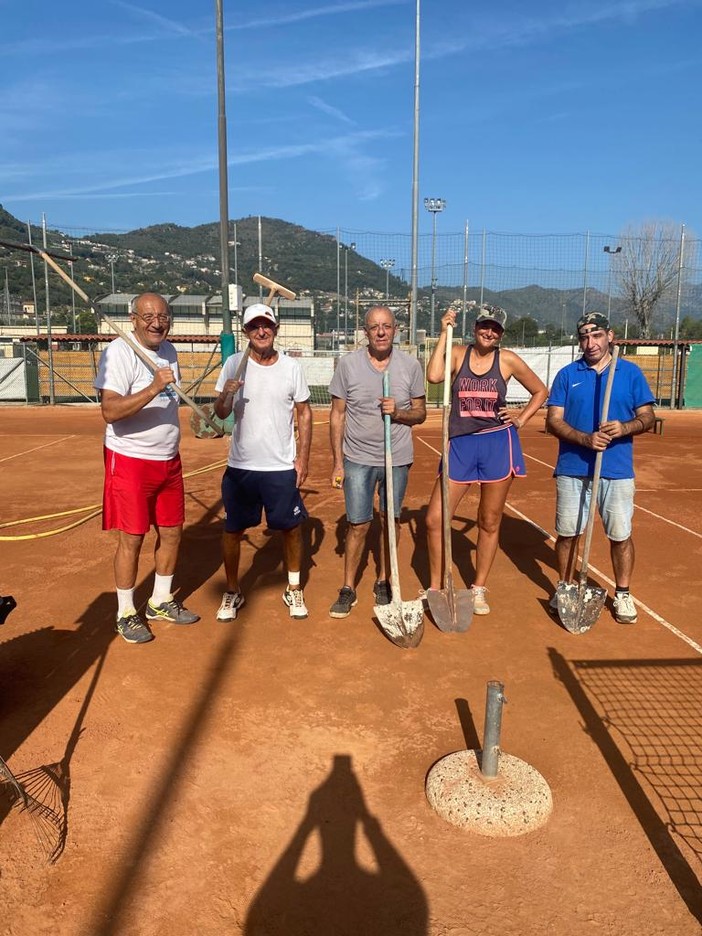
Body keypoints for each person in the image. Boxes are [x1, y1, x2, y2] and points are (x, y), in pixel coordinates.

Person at [425, 306, 548, 615]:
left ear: (501, 333)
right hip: (460, 445)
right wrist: (443, 332)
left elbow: (540, 391)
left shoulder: (506, 360)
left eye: (495, 328)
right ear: (476, 326)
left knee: (489, 520)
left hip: (497, 443)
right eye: (484, 326)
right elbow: (434, 376)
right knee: (435, 519)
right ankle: (435, 589)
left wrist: (521, 417)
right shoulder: (456, 352)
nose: (489, 332)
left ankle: (478, 589)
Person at [95, 292, 199, 645]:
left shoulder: (168, 351)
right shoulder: (118, 352)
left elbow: (171, 401)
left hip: (169, 458)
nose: (157, 323)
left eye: (163, 316)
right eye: (149, 316)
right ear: (133, 319)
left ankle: (160, 600)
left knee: (171, 532)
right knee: (133, 537)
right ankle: (126, 612)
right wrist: (154, 386)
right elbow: (109, 411)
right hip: (130, 460)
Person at [546, 311, 655, 623]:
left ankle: (622, 593)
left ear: (610, 336)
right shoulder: (568, 374)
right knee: (568, 533)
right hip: (572, 467)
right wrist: (584, 438)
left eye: (596, 335)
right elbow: (553, 420)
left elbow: (647, 417)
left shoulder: (630, 373)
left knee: (620, 534)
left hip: (616, 469)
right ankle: (565, 587)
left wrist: (625, 427)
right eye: (584, 336)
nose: (590, 342)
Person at [213, 303, 312, 621]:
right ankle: (232, 591)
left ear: (275, 328)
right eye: (254, 326)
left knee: (291, 529)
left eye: (266, 325)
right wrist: (225, 394)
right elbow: (221, 414)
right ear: (245, 332)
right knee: (233, 530)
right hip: (241, 466)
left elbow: (304, 412)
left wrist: (303, 458)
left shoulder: (290, 368)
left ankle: (293, 587)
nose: (261, 331)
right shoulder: (233, 365)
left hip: (281, 467)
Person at [328, 305, 426, 618]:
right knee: (358, 524)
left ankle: (384, 580)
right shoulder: (348, 365)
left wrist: (397, 413)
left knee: (390, 521)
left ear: (396, 330)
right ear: (365, 332)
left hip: (396, 458)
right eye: (374, 327)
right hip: (357, 458)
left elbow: (421, 413)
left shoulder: (410, 366)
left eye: (386, 326)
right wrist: (338, 463)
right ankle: (348, 587)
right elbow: (337, 414)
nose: (381, 332)